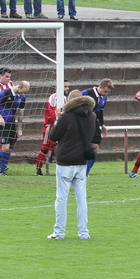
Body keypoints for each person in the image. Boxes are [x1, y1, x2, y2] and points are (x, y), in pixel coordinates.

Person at [47, 93, 97, 240]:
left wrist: (58, 119)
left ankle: (59, 232)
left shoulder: (67, 116)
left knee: (61, 198)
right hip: (82, 160)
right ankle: (84, 232)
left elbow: (53, 136)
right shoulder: (92, 115)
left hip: (66, 160)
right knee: (82, 198)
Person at [0, 80, 29, 177]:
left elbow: (20, 113)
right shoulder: (5, 92)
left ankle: (2, 169)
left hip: (12, 123)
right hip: (2, 123)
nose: (22, 94)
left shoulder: (22, 97)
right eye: (22, 91)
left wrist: (19, 128)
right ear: (18, 87)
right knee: (5, 147)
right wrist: (0, 117)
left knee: (10, 148)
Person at [36, 80, 72, 176]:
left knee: (64, 147)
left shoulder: (65, 99)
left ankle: (62, 168)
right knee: (45, 148)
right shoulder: (53, 98)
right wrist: (58, 118)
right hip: (50, 126)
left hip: (61, 126)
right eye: (65, 86)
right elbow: (52, 114)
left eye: (68, 86)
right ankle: (38, 170)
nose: (67, 88)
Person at [81, 79, 113, 177]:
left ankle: (85, 173)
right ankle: (79, 171)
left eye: (108, 92)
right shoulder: (86, 93)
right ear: (100, 87)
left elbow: (100, 112)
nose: (106, 94)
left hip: (94, 123)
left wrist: (102, 125)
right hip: (83, 123)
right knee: (81, 148)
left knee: (95, 147)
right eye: (105, 91)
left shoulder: (104, 97)